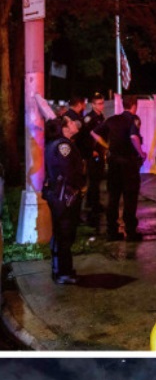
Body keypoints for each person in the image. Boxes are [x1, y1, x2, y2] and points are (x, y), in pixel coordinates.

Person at [92, 95, 146, 241]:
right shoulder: (132, 120)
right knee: (130, 197)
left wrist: (106, 146)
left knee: (114, 197)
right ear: (134, 106)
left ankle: (112, 231)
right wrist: (141, 153)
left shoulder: (111, 120)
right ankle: (130, 231)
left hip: (114, 163)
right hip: (128, 164)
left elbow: (94, 133)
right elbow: (134, 138)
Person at [43, 111, 86, 285]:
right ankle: (64, 272)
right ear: (66, 125)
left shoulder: (57, 143)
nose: (77, 125)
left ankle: (58, 269)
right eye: (73, 122)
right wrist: (78, 187)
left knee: (61, 233)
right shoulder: (63, 146)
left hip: (58, 194)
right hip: (65, 196)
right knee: (65, 234)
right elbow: (68, 172)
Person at [77, 93, 108, 229]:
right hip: (93, 152)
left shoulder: (101, 117)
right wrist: (91, 150)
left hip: (100, 151)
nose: (101, 106)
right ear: (93, 105)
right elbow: (85, 137)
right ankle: (94, 204)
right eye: (99, 103)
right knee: (94, 178)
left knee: (98, 177)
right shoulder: (89, 118)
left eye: (102, 103)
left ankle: (93, 202)